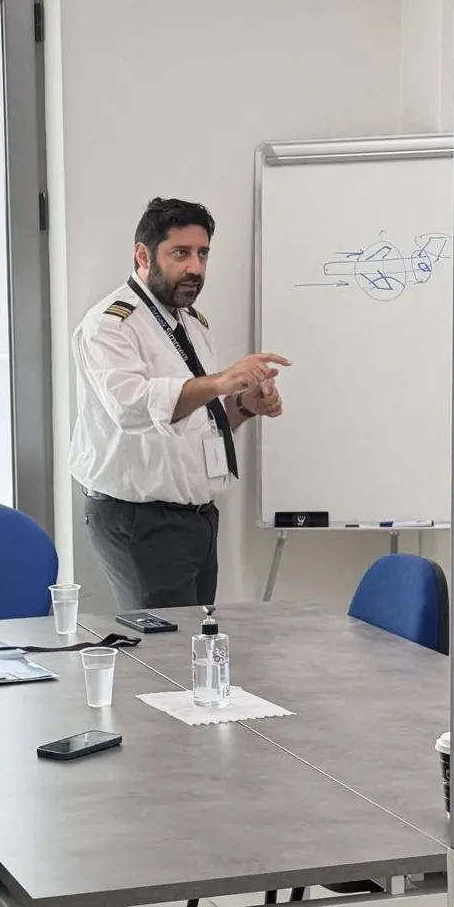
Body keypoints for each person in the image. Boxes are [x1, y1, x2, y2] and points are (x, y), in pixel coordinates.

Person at [69, 196, 289, 610]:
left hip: (196, 521)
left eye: (203, 254)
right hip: (142, 520)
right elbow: (131, 408)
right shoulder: (110, 325)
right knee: (164, 656)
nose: (196, 268)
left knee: (196, 647)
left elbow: (198, 420)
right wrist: (222, 379)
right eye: (181, 253)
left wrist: (243, 405)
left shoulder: (190, 323)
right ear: (143, 255)